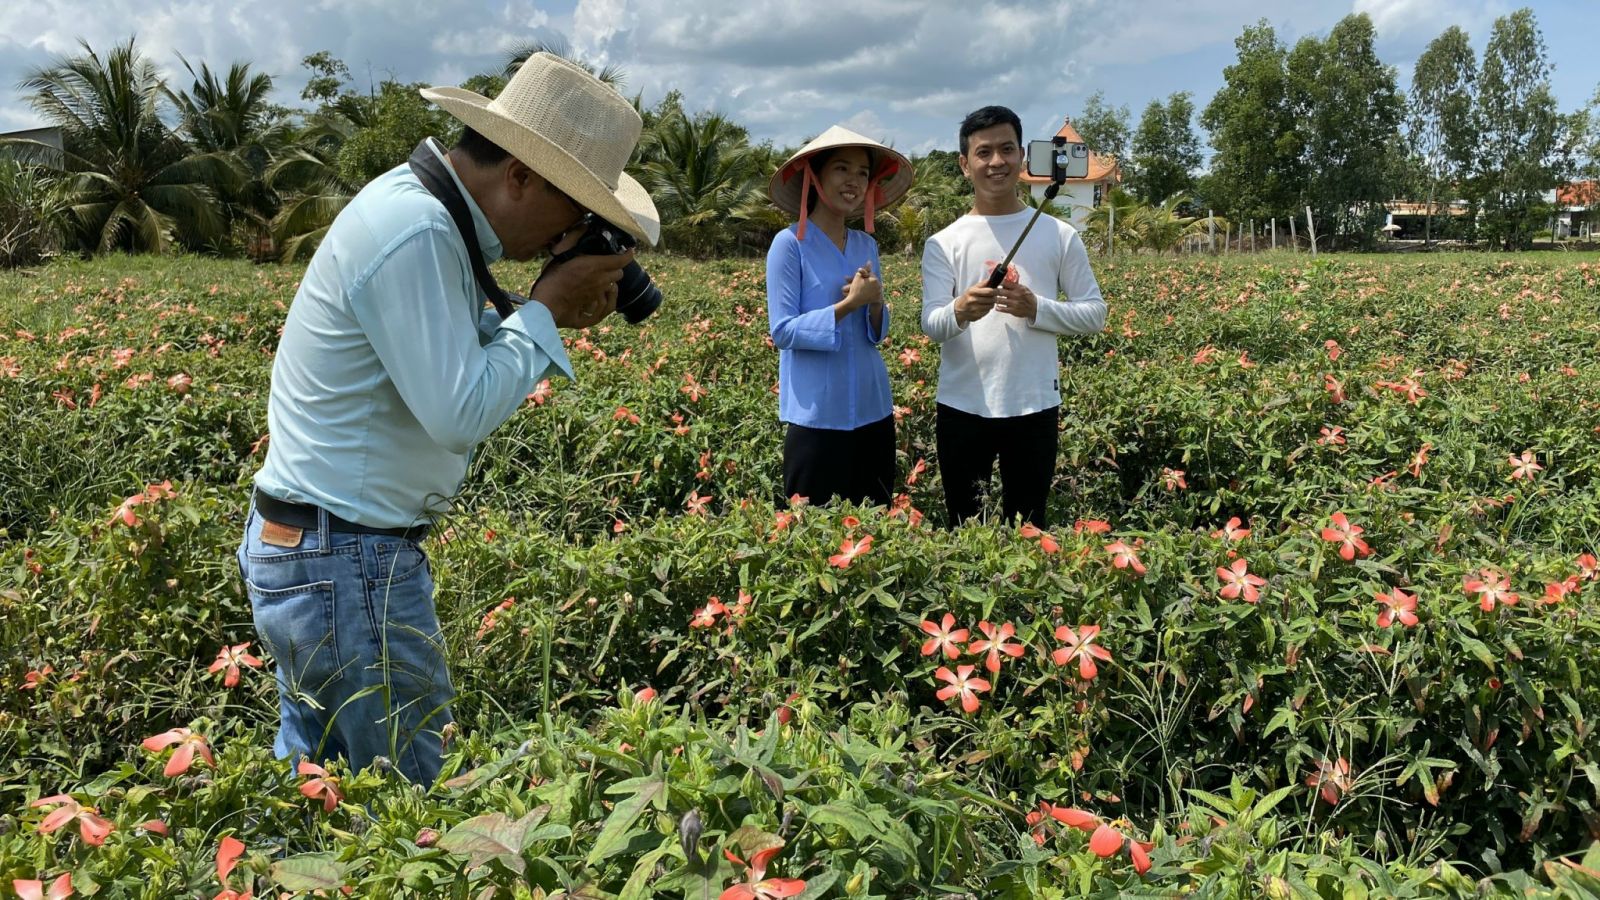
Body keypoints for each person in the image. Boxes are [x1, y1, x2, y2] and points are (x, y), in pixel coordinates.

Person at [237, 53, 659, 785]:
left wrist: (538, 316)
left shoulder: (430, 219)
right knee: (404, 799)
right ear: (521, 175)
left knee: (317, 792)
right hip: (344, 557)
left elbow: (442, 374)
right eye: (577, 211)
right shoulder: (419, 229)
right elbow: (458, 411)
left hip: (325, 551)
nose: (572, 235)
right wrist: (546, 308)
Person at [920, 106, 1106, 528]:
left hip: (1034, 404)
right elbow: (932, 324)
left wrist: (1036, 308)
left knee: (1029, 527)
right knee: (964, 528)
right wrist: (960, 312)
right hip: (962, 406)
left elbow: (1095, 313)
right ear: (964, 165)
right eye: (983, 153)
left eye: (1007, 149)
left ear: (1022, 156)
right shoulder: (943, 242)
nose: (996, 162)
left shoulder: (1059, 234)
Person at [765, 126, 913, 506]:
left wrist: (875, 303)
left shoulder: (866, 244)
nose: (854, 181)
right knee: (808, 531)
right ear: (814, 177)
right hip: (816, 417)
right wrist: (847, 305)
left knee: (874, 524)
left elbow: (873, 334)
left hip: (872, 407)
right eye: (842, 169)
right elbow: (782, 331)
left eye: (863, 173)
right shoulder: (789, 245)